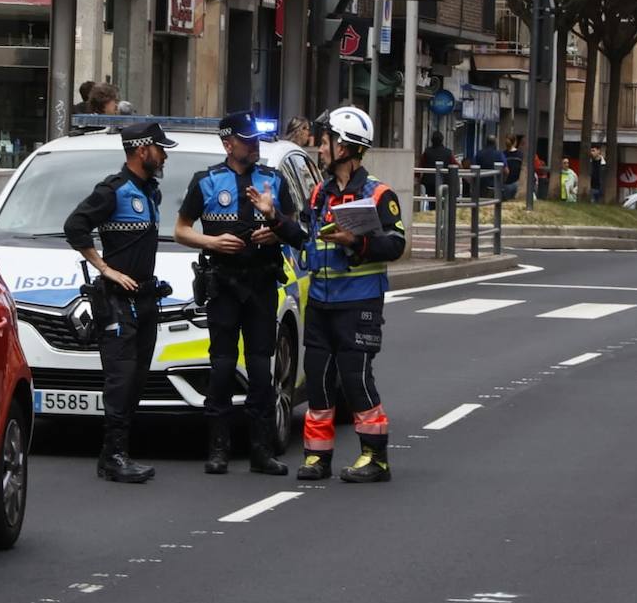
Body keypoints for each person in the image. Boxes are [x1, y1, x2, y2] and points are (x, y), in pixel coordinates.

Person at [175, 110, 303, 477]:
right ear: (228, 144)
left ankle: (261, 450)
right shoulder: (207, 182)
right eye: (247, 140)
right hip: (223, 284)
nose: (254, 146)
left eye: (256, 139)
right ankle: (218, 449)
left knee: (262, 369)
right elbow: (181, 229)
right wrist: (212, 241)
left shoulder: (273, 180)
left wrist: (274, 231)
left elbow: (294, 228)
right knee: (222, 367)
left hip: (262, 284)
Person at [296, 106, 405, 483]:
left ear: (344, 147)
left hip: (358, 301)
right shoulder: (318, 193)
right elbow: (306, 237)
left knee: (355, 378)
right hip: (321, 300)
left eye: (325, 142)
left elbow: (395, 244)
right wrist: (274, 220)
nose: (319, 148)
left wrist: (356, 242)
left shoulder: (378, 194)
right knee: (318, 378)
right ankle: (317, 456)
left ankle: (375, 457)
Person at [63, 122, 176, 483]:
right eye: (160, 148)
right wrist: (104, 268)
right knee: (120, 379)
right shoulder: (113, 191)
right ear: (142, 150)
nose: (164, 155)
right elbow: (74, 226)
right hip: (116, 302)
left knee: (137, 379)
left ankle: (119, 453)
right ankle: (112, 457)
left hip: (144, 301)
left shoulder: (151, 193)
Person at [419, 130, 456, 209]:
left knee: (432, 201)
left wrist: (417, 177)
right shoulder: (448, 152)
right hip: (444, 181)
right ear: (442, 140)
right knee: (443, 202)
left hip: (429, 182)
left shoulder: (427, 152)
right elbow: (454, 164)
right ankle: (441, 216)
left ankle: (433, 214)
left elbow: (421, 165)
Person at [501, 137, 524, 201]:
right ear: (515, 142)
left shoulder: (503, 154)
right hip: (516, 182)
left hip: (505, 182)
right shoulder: (520, 155)